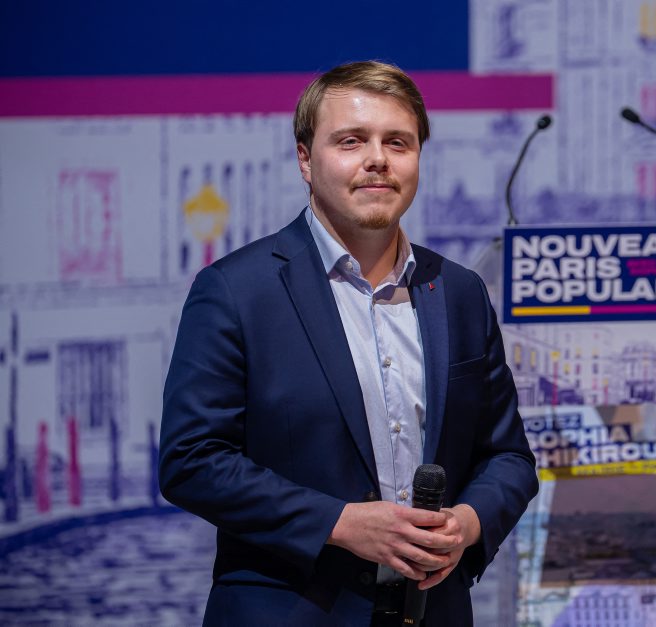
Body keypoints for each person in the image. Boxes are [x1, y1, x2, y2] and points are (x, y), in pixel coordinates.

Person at [159, 61, 538, 626]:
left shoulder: (460, 291)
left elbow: (508, 457)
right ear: (305, 159)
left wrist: (467, 524)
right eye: (351, 141)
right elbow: (191, 461)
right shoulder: (235, 291)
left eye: (398, 142)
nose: (378, 159)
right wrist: (339, 523)